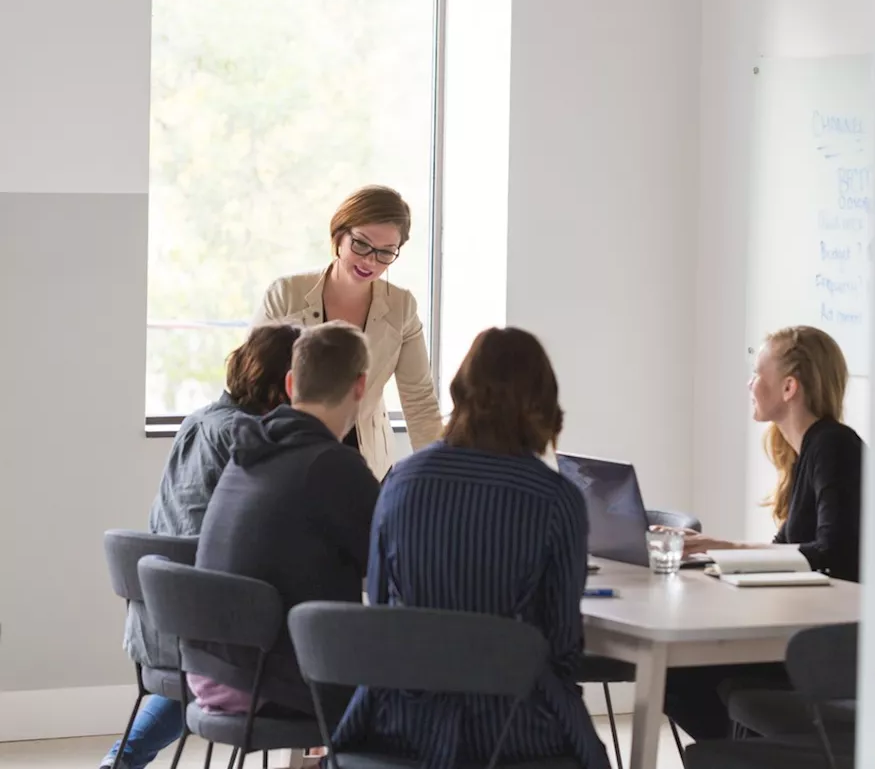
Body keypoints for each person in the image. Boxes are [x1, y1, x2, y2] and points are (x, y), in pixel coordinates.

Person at [333, 327, 610, 769]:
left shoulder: (401, 481)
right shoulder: (556, 499)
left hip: (402, 721)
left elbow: (381, 612)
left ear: (459, 391)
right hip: (514, 726)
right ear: (542, 401)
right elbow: (561, 644)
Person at [101, 324, 301, 769]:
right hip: (207, 632)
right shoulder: (249, 436)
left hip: (158, 624)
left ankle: (120, 761)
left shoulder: (198, 420)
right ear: (285, 383)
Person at [663, 325, 864, 741]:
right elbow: (789, 550)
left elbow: (833, 552)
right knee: (677, 672)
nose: (750, 384)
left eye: (757, 372)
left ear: (789, 387)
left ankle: (753, 755)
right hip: (808, 628)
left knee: (679, 673)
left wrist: (726, 549)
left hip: (829, 644)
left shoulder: (833, 445)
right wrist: (714, 550)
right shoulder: (810, 450)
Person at [186, 321, 381, 722]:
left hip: (213, 669)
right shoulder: (333, 465)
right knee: (417, 682)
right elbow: (393, 566)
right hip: (271, 682)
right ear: (360, 387)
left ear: (291, 384)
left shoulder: (248, 450)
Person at [253, 184, 443, 480]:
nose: (370, 260)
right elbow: (253, 385)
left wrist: (440, 477)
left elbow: (419, 401)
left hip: (367, 463)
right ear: (339, 235)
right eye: (361, 244)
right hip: (290, 456)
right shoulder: (285, 295)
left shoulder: (401, 307)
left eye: (385, 253)